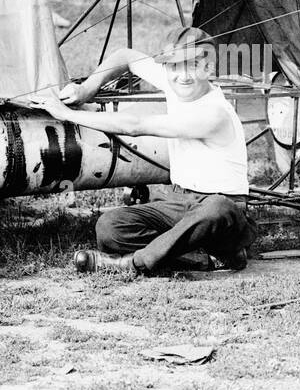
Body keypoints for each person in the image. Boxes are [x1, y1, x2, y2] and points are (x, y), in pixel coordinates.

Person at [36, 26, 255, 277]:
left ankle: (133, 264)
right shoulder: (177, 83)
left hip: (221, 213)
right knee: (109, 227)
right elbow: (126, 56)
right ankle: (201, 257)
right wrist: (85, 89)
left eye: (192, 65)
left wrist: (68, 115)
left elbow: (134, 126)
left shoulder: (214, 113)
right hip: (179, 203)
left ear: (209, 69)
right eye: (174, 67)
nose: (182, 75)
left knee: (217, 208)